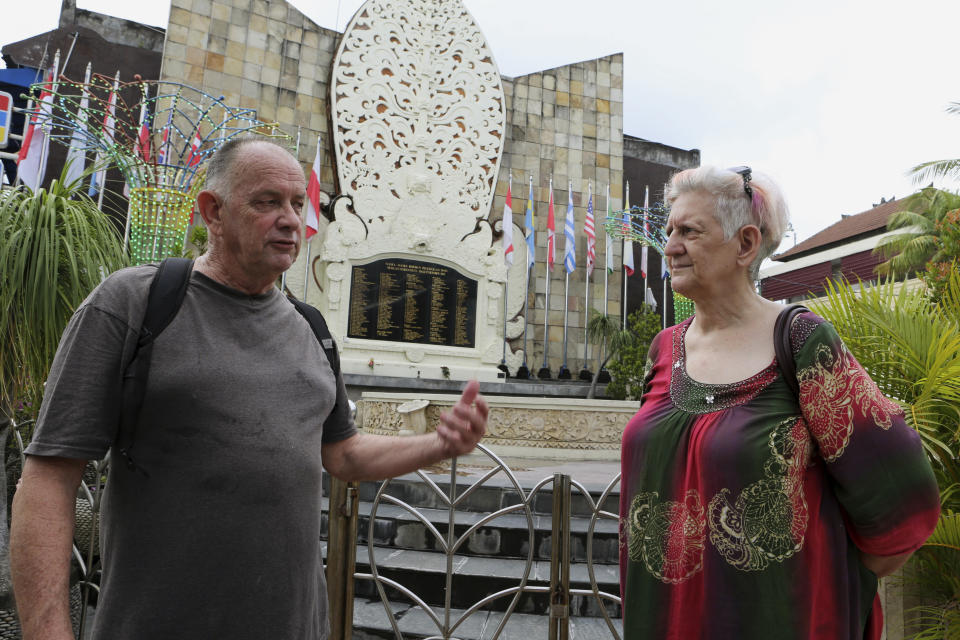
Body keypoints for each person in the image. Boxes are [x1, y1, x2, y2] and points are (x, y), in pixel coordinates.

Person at [9, 138, 489, 640]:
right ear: (213, 212)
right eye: (267, 202)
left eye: (297, 203)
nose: (289, 219)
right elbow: (49, 477)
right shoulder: (133, 305)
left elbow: (344, 456)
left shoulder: (312, 330)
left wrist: (438, 444)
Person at [619, 165, 940, 639]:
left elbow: (902, 497)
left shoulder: (802, 341)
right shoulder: (664, 348)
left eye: (689, 231)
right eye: (669, 231)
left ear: (745, 245)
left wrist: (827, 583)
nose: (669, 247)